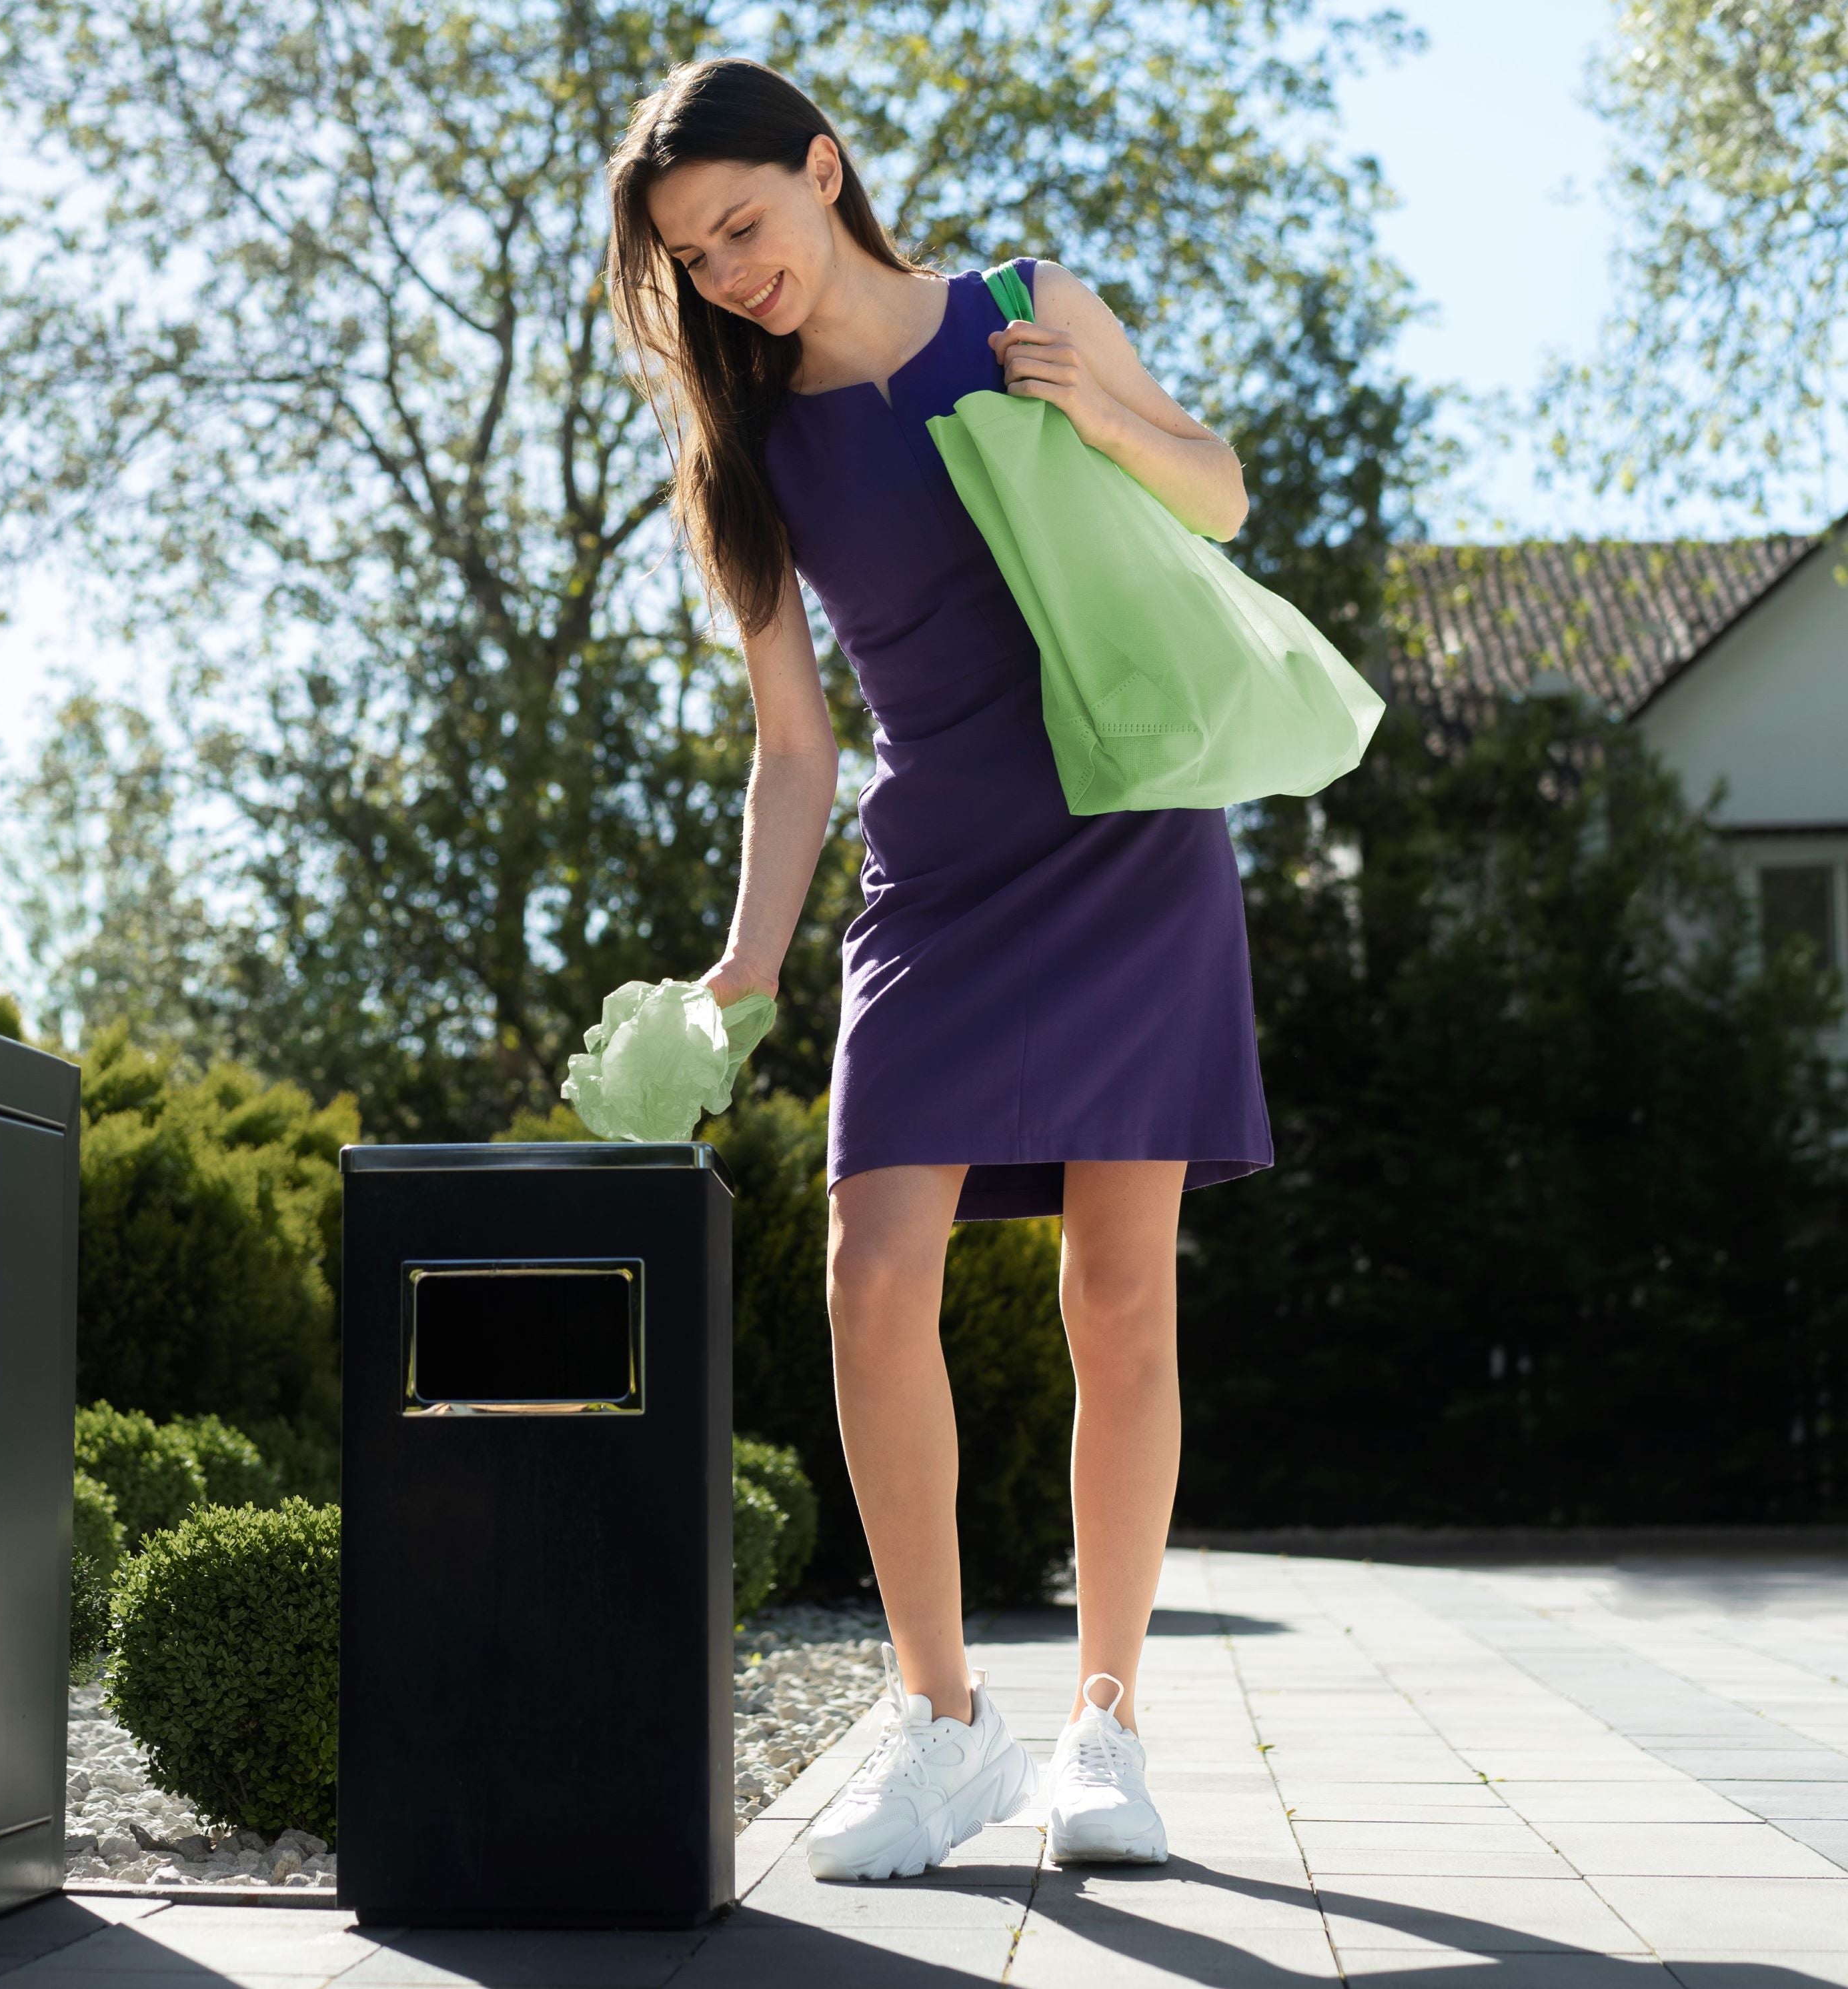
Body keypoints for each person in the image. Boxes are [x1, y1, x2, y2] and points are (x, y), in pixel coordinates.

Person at [604, 57, 1271, 1880]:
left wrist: (1105, 418)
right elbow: (796, 742)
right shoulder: (745, 453)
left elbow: (1216, 496)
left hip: (1131, 834)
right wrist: (745, 964)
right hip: (943, 873)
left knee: (1119, 1295)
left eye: (743, 222)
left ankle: (1107, 1732)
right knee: (869, 1265)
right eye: (691, 254)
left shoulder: (1026, 311)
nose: (728, 269)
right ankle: (941, 1722)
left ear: (824, 172)